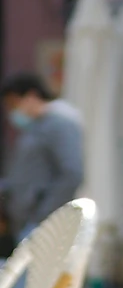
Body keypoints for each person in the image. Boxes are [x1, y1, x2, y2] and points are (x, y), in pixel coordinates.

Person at [0, 72, 85, 240]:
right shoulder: (36, 126)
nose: (12, 111)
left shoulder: (60, 123)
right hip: (27, 221)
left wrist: (45, 215)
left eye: (14, 103)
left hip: (43, 224)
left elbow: (72, 173)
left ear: (32, 95)